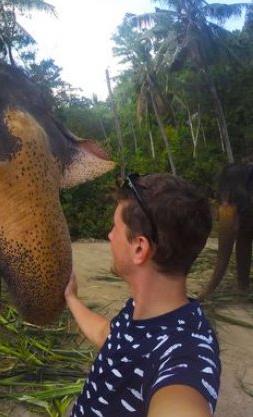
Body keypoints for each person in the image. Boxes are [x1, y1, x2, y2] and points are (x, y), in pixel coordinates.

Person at [65, 173, 221, 417]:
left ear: (139, 248)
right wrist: (72, 298)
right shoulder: (138, 311)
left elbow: (181, 404)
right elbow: (107, 335)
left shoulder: (187, 352)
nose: (109, 236)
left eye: (115, 227)